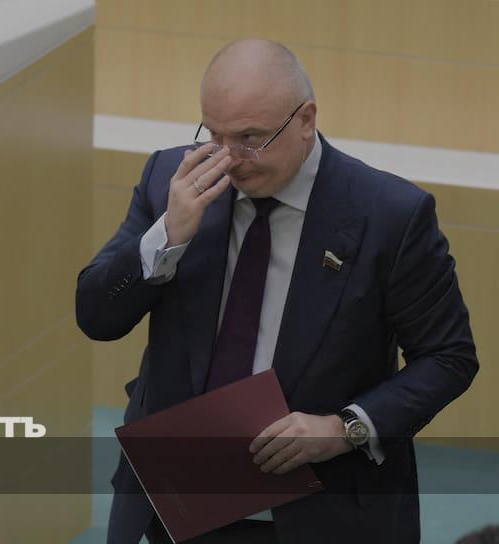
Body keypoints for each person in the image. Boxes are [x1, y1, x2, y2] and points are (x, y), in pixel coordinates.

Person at [76, 39, 478, 544]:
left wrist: (345, 428)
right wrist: (167, 236)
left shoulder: (390, 215)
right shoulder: (171, 180)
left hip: (323, 515)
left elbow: (447, 357)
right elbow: (97, 317)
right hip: (175, 503)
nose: (229, 159)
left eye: (250, 138)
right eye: (214, 135)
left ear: (305, 120)